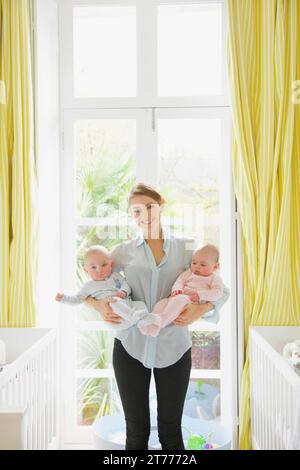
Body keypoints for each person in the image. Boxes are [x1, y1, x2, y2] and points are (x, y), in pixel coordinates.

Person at [85, 183, 230, 450]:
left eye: (150, 207)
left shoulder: (187, 249)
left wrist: (201, 308)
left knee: (171, 431)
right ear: (133, 216)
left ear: (161, 206)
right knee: (136, 431)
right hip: (130, 346)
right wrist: (99, 307)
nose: (145, 214)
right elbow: (93, 283)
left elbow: (221, 291)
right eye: (137, 211)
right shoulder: (122, 251)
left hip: (174, 346)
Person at [55, 245, 154, 331]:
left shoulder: (115, 276)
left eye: (104, 265)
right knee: (114, 300)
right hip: (114, 318)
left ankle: (143, 320)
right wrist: (63, 298)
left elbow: (125, 285)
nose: (99, 270)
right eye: (93, 267)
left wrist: (124, 291)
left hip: (128, 307)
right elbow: (77, 299)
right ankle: (134, 317)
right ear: (86, 270)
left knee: (140, 304)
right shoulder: (88, 286)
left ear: (111, 264)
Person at [138, 243, 224, 337]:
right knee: (162, 303)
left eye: (203, 265)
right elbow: (180, 281)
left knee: (179, 300)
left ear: (215, 266)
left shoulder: (214, 278)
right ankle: (152, 327)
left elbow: (218, 293)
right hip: (177, 297)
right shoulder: (189, 273)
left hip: (191, 302)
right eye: (194, 263)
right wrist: (177, 289)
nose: (197, 267)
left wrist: (200, 295)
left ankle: (161, 320)